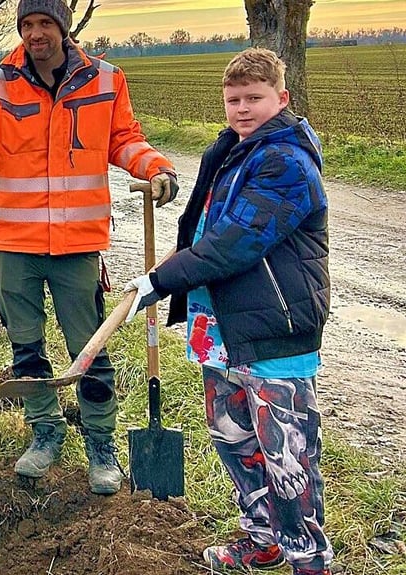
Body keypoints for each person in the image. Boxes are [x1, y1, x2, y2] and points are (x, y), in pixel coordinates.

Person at [0, 0, 178, 494]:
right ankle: (45, 432)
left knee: (90, 347)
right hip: (13, 244)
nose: (36, 34)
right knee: (27, 347)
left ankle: (101, 445)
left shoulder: (106, 79)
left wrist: (155, 167)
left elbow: (123, 139)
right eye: (27, 25)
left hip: (78, 245)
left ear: (62, 27)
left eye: (45, 23)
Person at [125, 48, 333, 575]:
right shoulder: (233, 149)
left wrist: (161, 279)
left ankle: (308, 561)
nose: (243, 108)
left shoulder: (286, 161)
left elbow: (237, 243)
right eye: (233, 99)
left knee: (287, 459)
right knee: (234, 438)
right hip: (221, 326)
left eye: (255, 98)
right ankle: (262, 539)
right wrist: (172, 266)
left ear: (282, 99)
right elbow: (207, 233)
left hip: (274, 329)